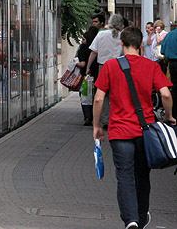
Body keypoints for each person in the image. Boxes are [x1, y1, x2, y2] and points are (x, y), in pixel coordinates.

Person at [93, 26, 174, 229]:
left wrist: (97, 125)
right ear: (140, 44)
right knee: (142, 175)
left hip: (119, 133)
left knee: (125, 176)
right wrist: (170, 116)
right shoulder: (151, 66)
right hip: (144, 132)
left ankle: (131, 221)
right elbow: (165, 94)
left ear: (122, 43)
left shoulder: (111, 66)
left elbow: (98, 99)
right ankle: (141, 214)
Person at [75, 26, 99, 125]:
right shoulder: (98, 47)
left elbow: (83, 64)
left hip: (86, 76)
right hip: (97, 75)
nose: (82, 41)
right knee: (95, 97)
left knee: (85, 97)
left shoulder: (83, 48)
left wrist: (75, 63)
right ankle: (95, 117)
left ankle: (87, 117)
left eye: (84, 39)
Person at [161, 28, 177, 120]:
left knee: (174, 87)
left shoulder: (170, 35)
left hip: (172, 64)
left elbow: (162, 51)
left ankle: (173, 113)